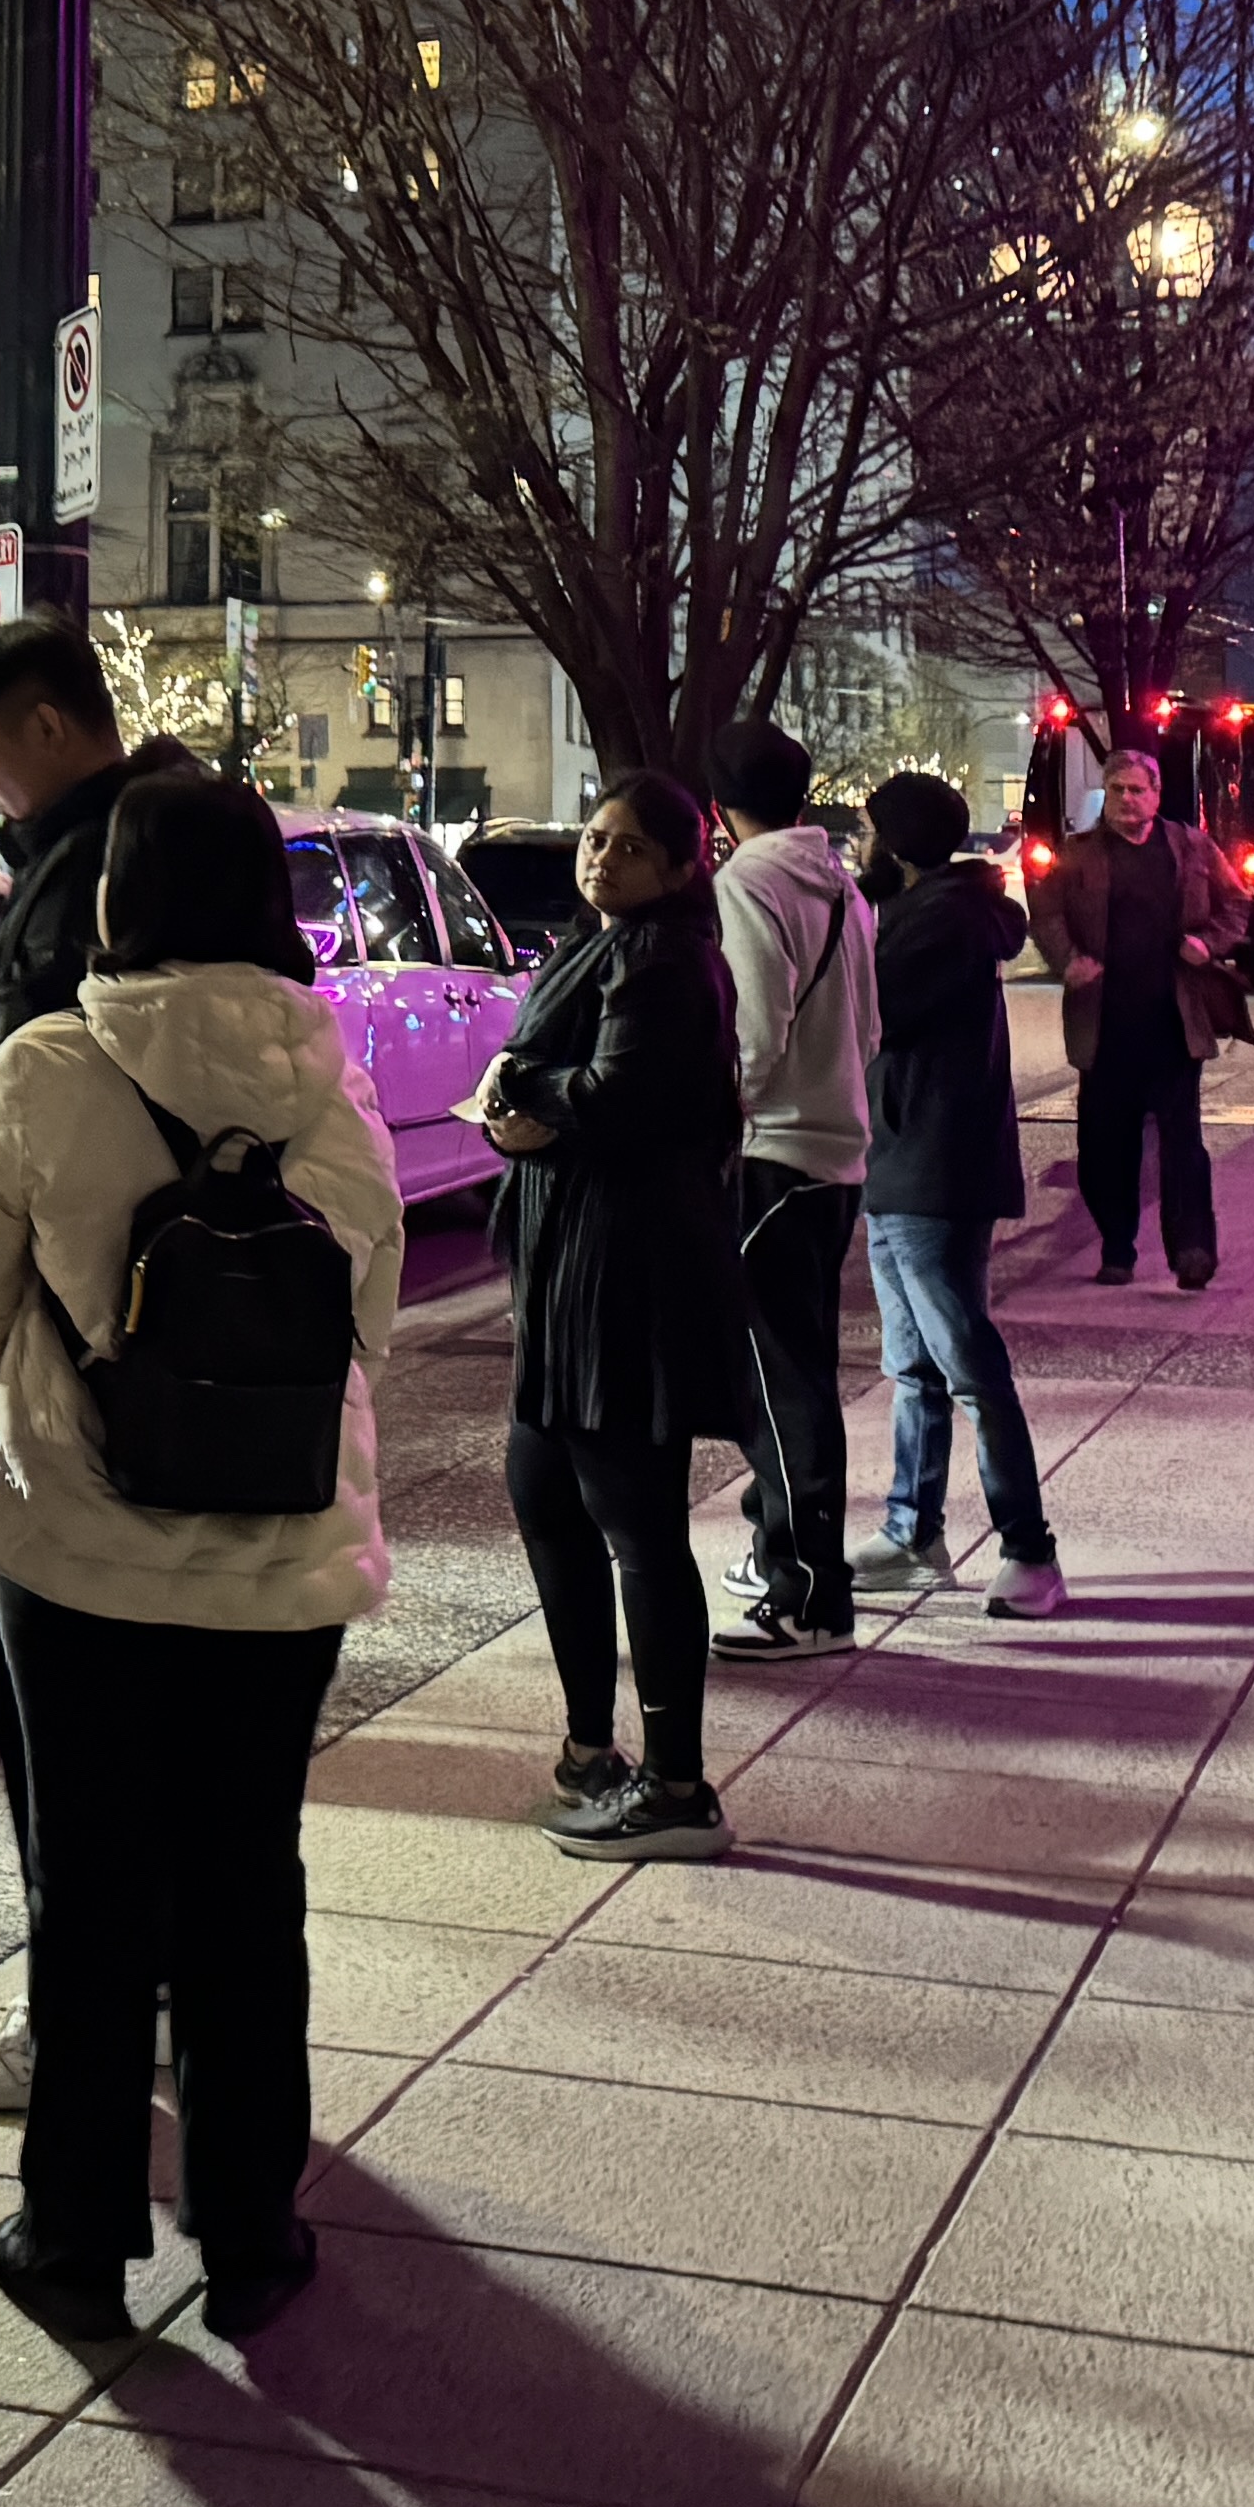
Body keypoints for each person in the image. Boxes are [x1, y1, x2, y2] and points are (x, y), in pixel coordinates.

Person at [0, 765, 400, 2350]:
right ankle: (254, 2230)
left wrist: (9, 1438)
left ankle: (72, 2235)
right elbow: (371, 1323)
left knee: (92, 1891)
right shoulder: (325, 1088)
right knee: (246, 1878)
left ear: (118, 900)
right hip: (284, 1560)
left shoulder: (47, 1063)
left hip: (71, 1555)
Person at [0, 611, 200, 2116]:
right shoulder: (196, 878)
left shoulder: (83, 877)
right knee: (191, 1782)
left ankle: (80, 2045)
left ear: (56, 727)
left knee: (62, 1746)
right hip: (208, 1408)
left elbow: (17, 1113)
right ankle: (168, 2029)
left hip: (66, 1379)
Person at [474, 773, 742, 1858]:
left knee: (638, 1526)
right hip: (564, 1276)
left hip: (624, 1282)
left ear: (683, 866)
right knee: (545, 1495)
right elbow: (545, 1082)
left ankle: (678, 1785)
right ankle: (592, 1749)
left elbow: (620, 1097)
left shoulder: (666, 955)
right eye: (595, 840)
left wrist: (523, 1098)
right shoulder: (603, 945)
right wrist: (515, 1106)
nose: (602, 860)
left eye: (631, 848)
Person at [853, 770, 1062, 1617]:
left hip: (933, 1166)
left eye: (869, 832)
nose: (858, 847)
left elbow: (870, 1014)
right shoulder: (931, 912)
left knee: (968, 1364)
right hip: (904, 1157)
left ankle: (1029, 1550)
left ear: (897, 845)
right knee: (913, 1365)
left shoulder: (938, 921)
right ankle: (912, 1530)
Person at [708, 720, 878, 1652]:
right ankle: (787, 1552)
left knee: (783, 1386)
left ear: (717, 806)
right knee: (799, 1375)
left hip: (774, 1157)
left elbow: (753, 1035)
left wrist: (723, 1116)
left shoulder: (748, 883)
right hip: (837, 1156)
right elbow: (869, 1027)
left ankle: (808, 1594)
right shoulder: (842, 886)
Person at [1028, 745, 1246, 1286]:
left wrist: (1208, 943)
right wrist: (1067, 960)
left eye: (1137, 790)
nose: (1126, 799)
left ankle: (1192, 1249)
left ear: (1156, 795)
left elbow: (1236, 904)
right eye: (1117, 788)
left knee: (1183, 1145)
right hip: (1105, 1023)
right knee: (1104, 1143)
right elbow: (1046, 911)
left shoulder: (1190, 846)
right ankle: (1117, 1244)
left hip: (1174, 1021)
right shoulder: (1077, 853)